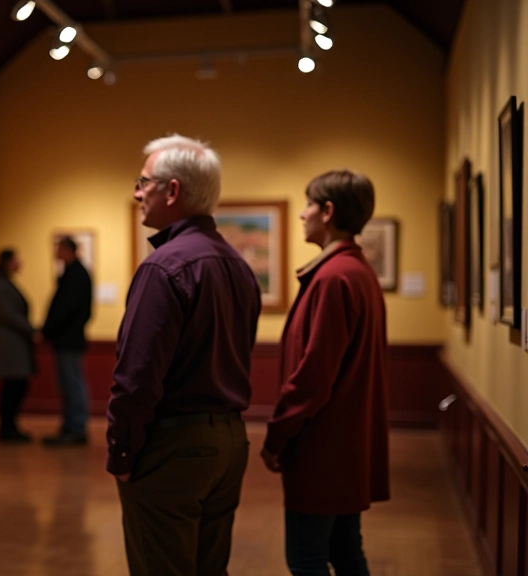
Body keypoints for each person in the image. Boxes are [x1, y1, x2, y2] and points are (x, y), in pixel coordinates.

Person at [107, 134, 261, 576]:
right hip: (229, 444)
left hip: (173, 448)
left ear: (172, 190)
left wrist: (121, 454)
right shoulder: (236, 265)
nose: (136, 192)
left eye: (143, 182)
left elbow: (135, 378)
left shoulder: (163, 267)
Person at [260, 170, 389, 576]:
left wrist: (277, 436)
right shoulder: (358, 271)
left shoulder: (333, 278)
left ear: (328, 211)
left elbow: (313, 378)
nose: (302, 214)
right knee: (346, 550)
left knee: (307, 558)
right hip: (347, 448)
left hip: (322, 448)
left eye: (308, 204)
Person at [41, 236, 93, 446]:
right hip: (68, 338)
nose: (56, 253)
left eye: (58, 249)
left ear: (67, 250)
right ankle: (72, 425)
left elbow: (66, 309)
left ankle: (76, 427)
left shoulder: (76, 274)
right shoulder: (74, 273)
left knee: (72, 383)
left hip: (68, 339)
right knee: (69, 383)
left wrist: (49, 329)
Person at [0, 248, 36, 442]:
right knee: (13, 386)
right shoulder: (0, 286)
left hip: (16, 344)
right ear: (7, 262)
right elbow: (8, 315)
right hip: (9, 346)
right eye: (16, 260)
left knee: (17, 386)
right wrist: (31, 329)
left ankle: (10, 426)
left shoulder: (7, 283)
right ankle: (7, 428)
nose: (19, 264)